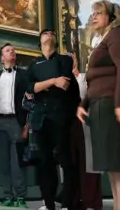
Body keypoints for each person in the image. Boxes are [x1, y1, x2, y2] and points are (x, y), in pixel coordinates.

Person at [77, 0, 120, 210]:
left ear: (111, 16)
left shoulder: (118, 33)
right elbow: (93, 78)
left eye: (98, 13)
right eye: (92, 13)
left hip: (112, 103)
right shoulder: (102, 39)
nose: (93, 17)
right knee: (111, 164)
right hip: (99, 104)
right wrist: (83, 102)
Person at [26, 29, 80, 210]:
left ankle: (68, 203)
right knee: (45, 163)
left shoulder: (65, 60)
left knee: (66, 161)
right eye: (45, 32)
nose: (50, 33)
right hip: (41, 119)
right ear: (40, 40)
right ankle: (48, 204)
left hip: (61, 117)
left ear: (55, 40)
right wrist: (51, 82)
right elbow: (29, 88)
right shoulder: (34, 64)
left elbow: (64, 83)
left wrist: (42, 86)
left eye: (52, 33)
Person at [0, 43, 29, 208]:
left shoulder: (24, 75)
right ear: (2, 57)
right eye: (7, 50)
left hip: (16, 121)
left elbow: (30, 98)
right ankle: (7, 196)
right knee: (3, 161)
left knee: (17, 161)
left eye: (13, 50)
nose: (11, 52)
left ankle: (20, 197)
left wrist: (26, 123)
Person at [69, 53, 102, 210]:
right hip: (69, 124)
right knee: (72, 163)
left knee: (89, 162)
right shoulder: (61, 79)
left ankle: (91, 201)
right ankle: (75, 200)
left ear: (76, 61)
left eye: (71, 59)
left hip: (86, 122)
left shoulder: (83, 77)